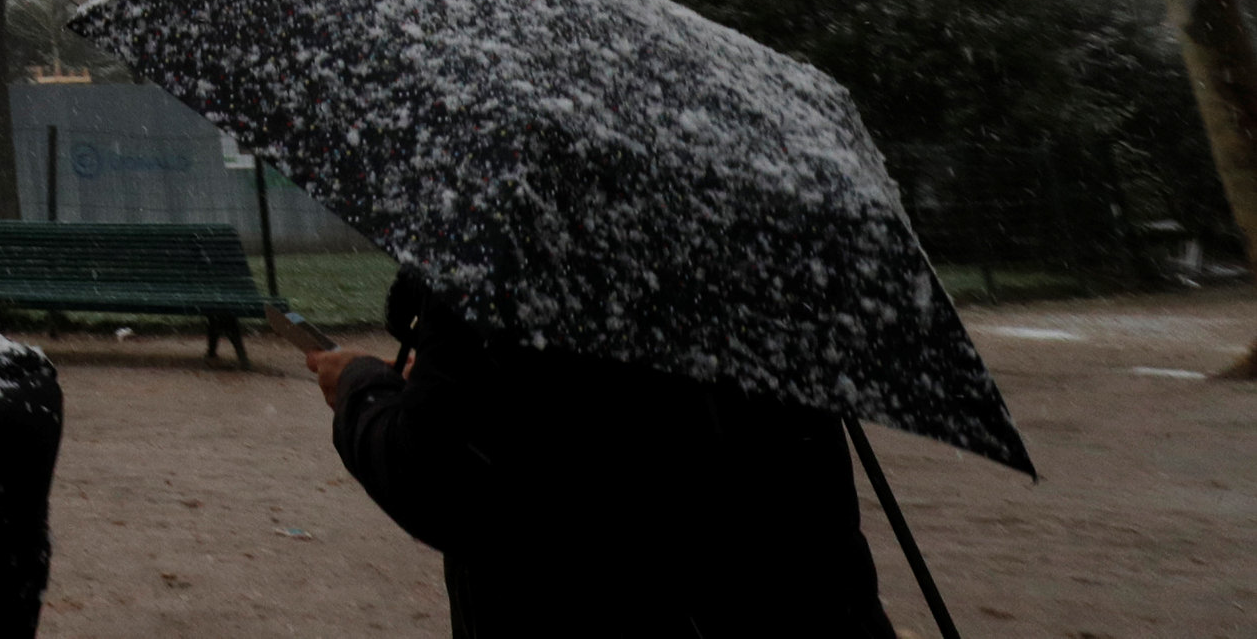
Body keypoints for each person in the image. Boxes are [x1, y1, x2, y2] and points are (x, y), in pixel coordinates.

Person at [301, 268, 893, 638]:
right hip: (813, 611)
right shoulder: (762, 252)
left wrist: (361, 385)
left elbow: (435, 471)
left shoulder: (513, 246)